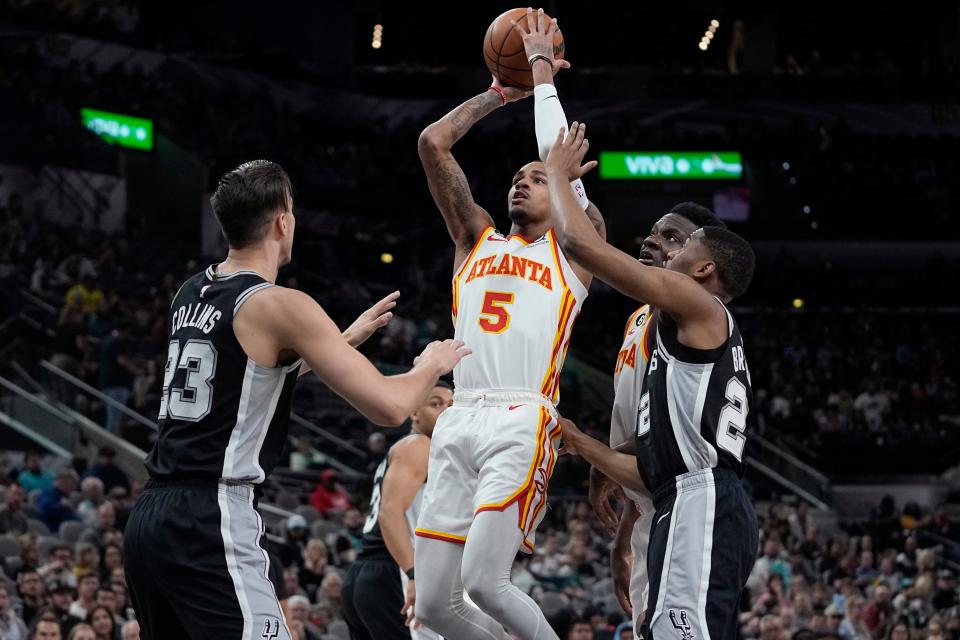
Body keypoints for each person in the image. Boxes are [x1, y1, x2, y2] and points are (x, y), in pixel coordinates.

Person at [123, 159, 469, 640]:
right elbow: (390, 407)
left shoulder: (191, 291)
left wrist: (340, 341)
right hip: (211, 515)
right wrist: (431, 364)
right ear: (283, 221)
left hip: (151, 517)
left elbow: (248, 371)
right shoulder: (280, 303)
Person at [413, 10, 603, 640]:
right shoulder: (476, 239)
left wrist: (544, 75)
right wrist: (497, 95)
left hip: (523, 414)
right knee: (436, 606)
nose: (523, 181)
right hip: (460, 413)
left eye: (537, 178)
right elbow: (432, 144)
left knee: (485, 584)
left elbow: (556, 156)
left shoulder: (575, 251)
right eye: (517, 177)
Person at [545, 121, 759, 640]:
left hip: (699, 496)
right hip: (678, 497)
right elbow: (650, 450)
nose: (664, 251)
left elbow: (580, 242)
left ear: (704, 266)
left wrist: (555, 171)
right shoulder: (667, 327)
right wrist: (588, 451)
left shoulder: (697, 302)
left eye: (679, 245)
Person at [588, 203, 726, 630]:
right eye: (652, 233)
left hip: (688, 503)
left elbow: (662, 439)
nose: (651, 241)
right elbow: (648, 437)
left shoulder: (683, 323)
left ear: (702, 264)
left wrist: (596, 462)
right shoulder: (639, 318)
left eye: (670, 238)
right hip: (655, 504)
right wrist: (626, 535)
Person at [342, 383, 454, 639]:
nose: (447, 412)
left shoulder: (416, 449)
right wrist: (412, 574)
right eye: (436, 404)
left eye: (452, 405)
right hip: (395, 572)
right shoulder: (419, 445)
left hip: (371, 572)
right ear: (414, 413)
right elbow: (389, 512)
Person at [36, 468, 79, 533]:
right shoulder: (48, 493)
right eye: (71, 483)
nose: (73, 487)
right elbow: (44, 510)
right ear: (61, 482)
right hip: (54, 530)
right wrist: (60, 505)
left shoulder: (68, 495)